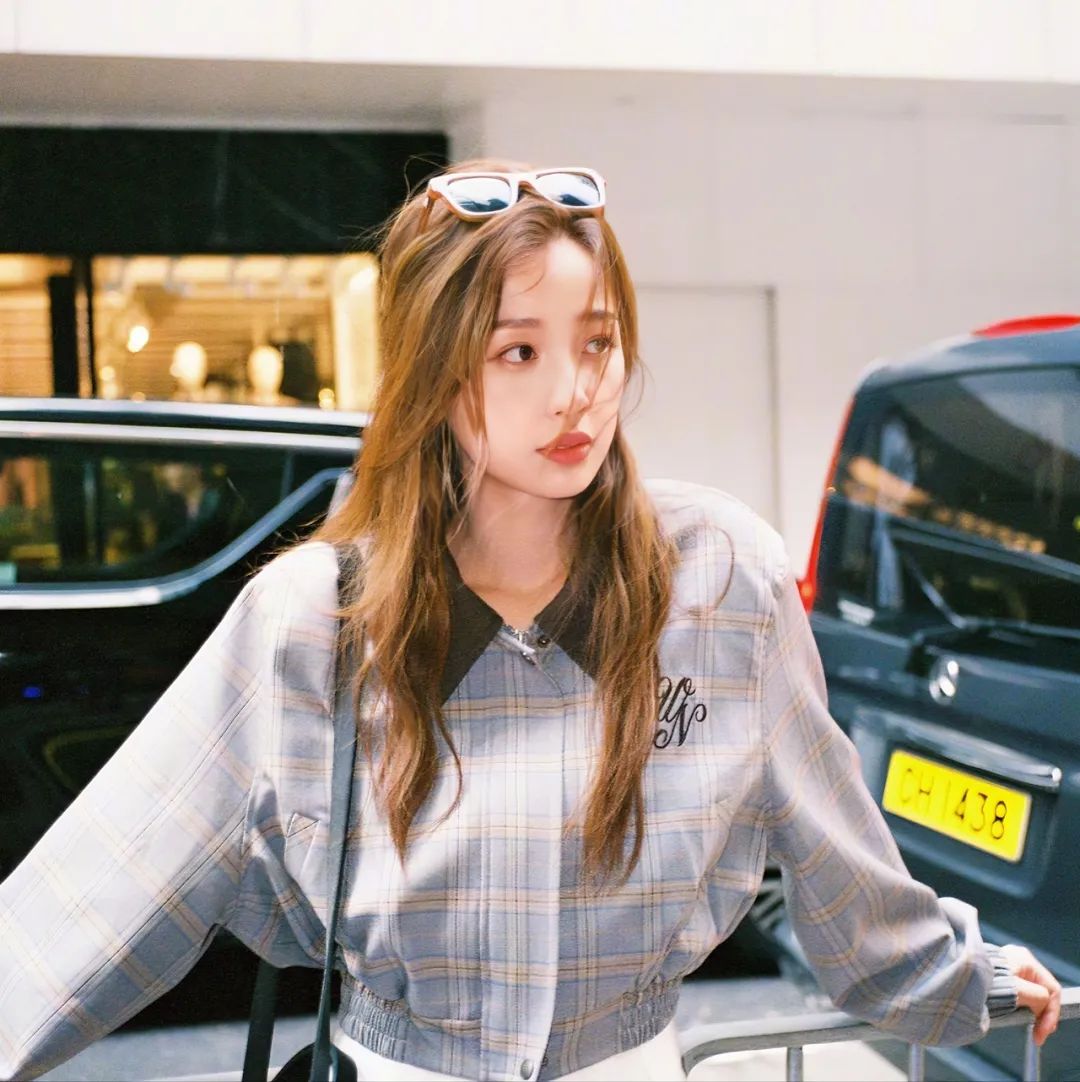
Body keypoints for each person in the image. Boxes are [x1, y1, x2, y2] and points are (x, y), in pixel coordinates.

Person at [0, 161, 1061, 1081]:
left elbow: (838, 852)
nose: (574, 393)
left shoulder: (719, 577)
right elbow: (105, 888)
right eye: (519, 352)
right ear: (433, 369)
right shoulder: (318, 616)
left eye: (597, 342)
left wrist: (967, 980)